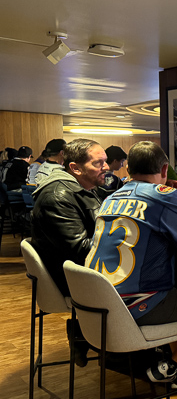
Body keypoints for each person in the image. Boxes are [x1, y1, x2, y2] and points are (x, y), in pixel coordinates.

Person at [85, 141, 177, 385]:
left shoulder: (111, 198)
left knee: (176, 296)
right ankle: (169, 366)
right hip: (135, 307)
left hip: (98, 304)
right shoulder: (165, 196)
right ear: (165, 170)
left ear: (129, 168)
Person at [31, 138, 109, 367]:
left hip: (76, 273)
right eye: (99, 163)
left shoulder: (82, 188)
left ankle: (85, 332)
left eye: (105, 162)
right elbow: (81, 251)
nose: (106, 167)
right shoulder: (58, 197)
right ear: (75, 168)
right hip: (71, 280)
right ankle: (127, 352)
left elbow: (110, 195)